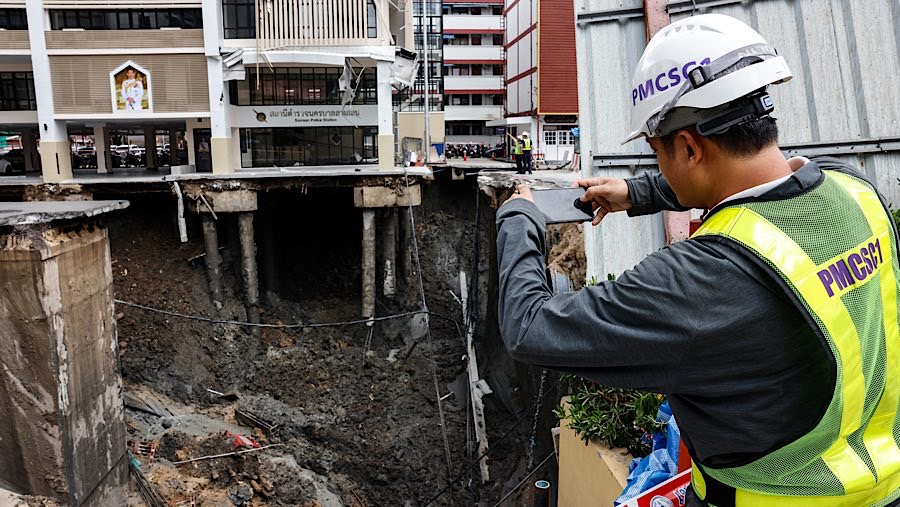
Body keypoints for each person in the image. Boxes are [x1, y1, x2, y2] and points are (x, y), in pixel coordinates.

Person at [496, 13, 900, 507]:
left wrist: (517, 218)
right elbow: (753, 184)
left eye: (657, 154)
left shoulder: (700, 281)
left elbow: (528, 326)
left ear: (687, 146)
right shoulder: (854, 193)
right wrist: (638, 192)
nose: (657, 164)